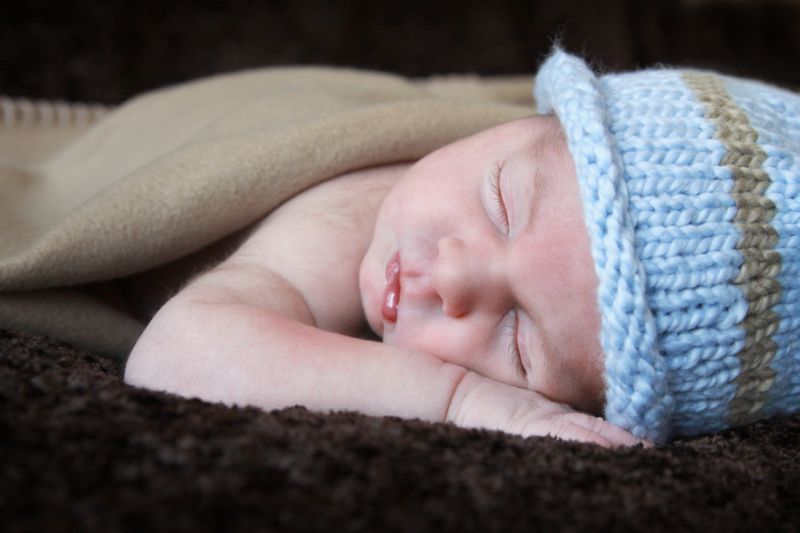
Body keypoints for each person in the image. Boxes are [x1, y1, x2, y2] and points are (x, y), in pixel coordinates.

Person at [124, 50, 800, 446]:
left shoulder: (486, 191)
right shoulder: (350, 213)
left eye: (517, 340)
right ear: (522, 125)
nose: (450, 274)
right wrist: (465, 402)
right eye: (502, 201)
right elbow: (174, 353)